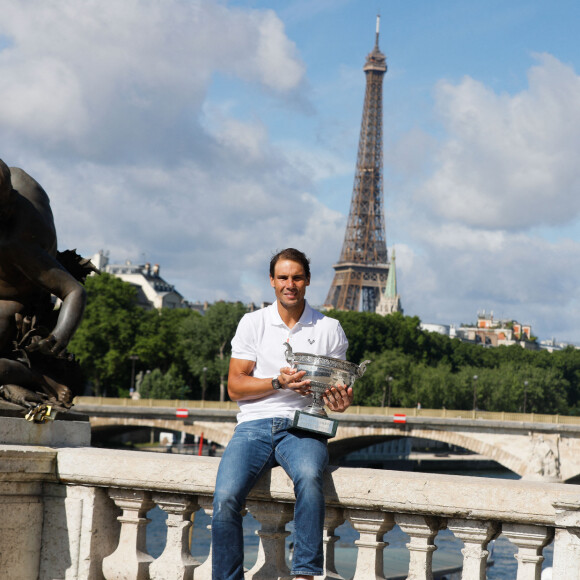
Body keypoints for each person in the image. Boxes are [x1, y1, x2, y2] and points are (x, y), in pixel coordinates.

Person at [212, 248, 353, 580]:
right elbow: (235, 387)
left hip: (303, 425)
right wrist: (278, 382)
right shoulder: (253, 323)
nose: (291, 284)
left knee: (309, 478)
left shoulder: (330, 328)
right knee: (226, 498)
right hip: (254, 424)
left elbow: (338, 393)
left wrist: (340, 401)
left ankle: (303, 573)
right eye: (284, 277)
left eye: (297, 277)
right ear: (272, 282)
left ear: (308, 281)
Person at [0, 159, 91, 412]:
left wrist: (57, 338)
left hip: (16, 301)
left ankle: (35, 377)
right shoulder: (12, 177)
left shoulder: (17, 243)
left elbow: (74, 290)